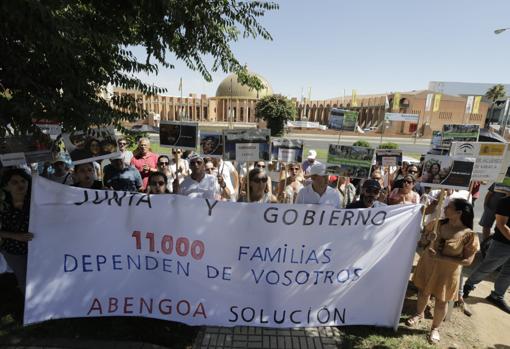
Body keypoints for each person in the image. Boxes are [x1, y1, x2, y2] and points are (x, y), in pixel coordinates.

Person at [408, 199, 479, 344]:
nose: (445, 208)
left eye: (449, 207)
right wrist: (427, 238)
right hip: (427, 265)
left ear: (458, 213)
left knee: (442, 300)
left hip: (448, 273)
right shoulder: (437, 224)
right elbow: (422, 242)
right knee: (423, 292)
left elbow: (468, 261)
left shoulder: (469, 235)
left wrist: (442, 257)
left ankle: (435, 328)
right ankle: (419, 314)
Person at [463, 193, 510, 314]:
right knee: (487, 267)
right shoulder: (505, 201)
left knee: (508, 273)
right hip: (502, 243)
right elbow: (501, 224)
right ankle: (466, 288)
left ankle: (497, 296)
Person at [0, 169, 34, 292]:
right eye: (14, 182)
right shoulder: (2, 205)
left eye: (23, 181)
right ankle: (30, 308)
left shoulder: (37, 202)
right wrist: (14, 236)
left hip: (38, 250)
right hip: (13, 252)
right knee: (25, 281)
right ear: (6, 186)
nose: (20, 184)